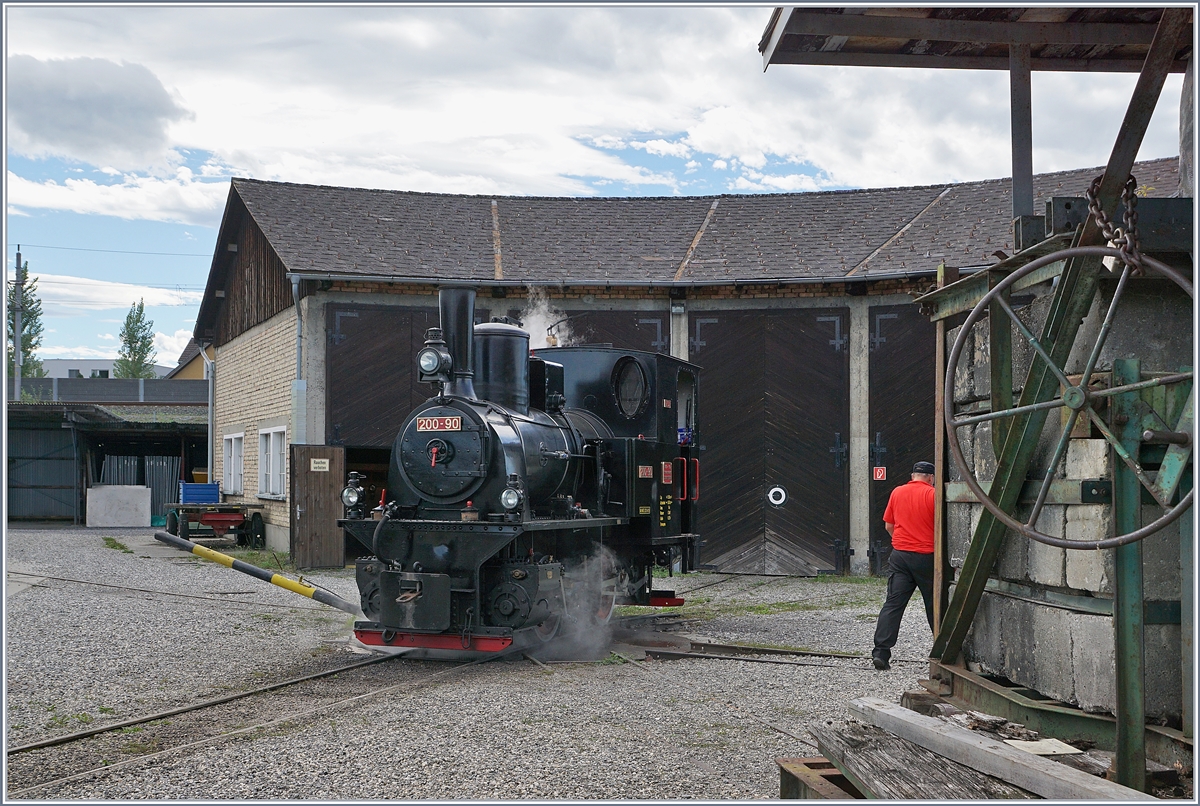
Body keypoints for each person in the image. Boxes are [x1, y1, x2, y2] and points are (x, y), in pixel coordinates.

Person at [872, 460, 936, 671]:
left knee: (893, 604)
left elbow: (889, 525)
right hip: (927, 556)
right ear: (930, 477)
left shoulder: (897, 492)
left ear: (913, 476)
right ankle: (942, 653)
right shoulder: (932, 495)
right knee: (934, 604)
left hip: (899, 556)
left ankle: (881, 652)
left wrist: (901, 542)